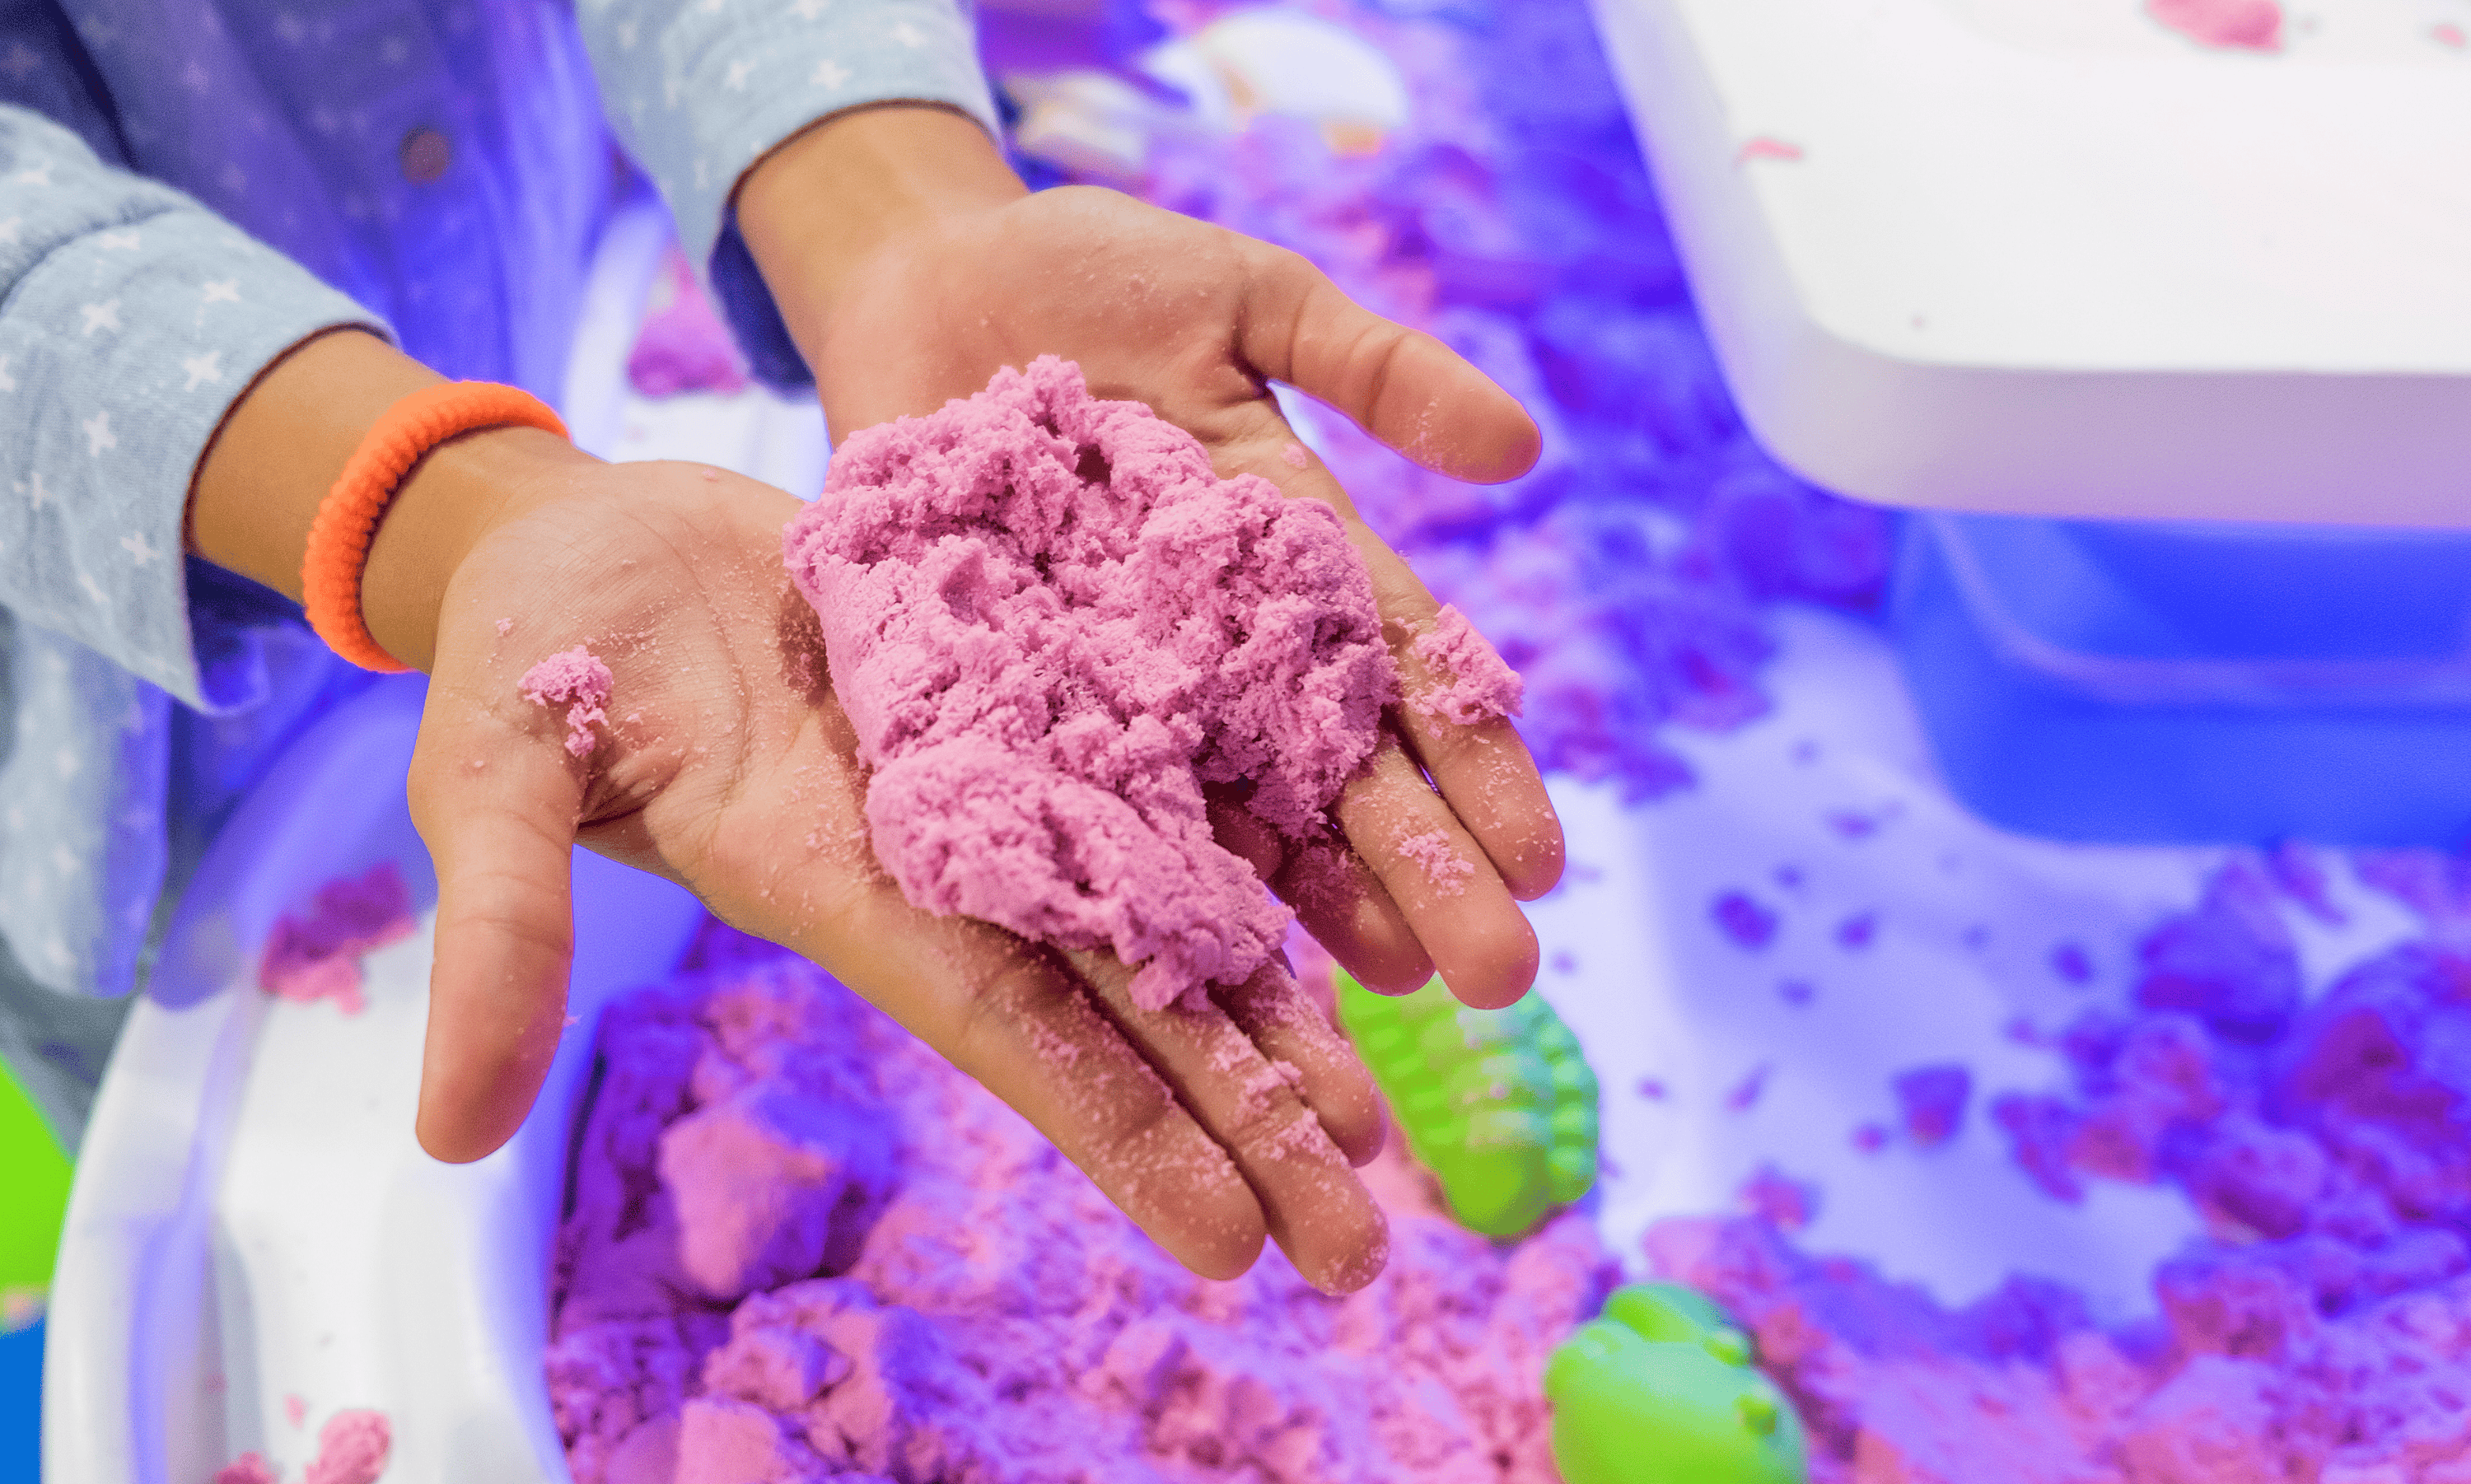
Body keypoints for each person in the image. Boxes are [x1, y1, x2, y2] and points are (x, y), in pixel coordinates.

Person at [0, 0, 1562, 1293]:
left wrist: (896, 212)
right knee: (171, 1132)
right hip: (105, 679)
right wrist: (424, 498)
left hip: (501, 328)